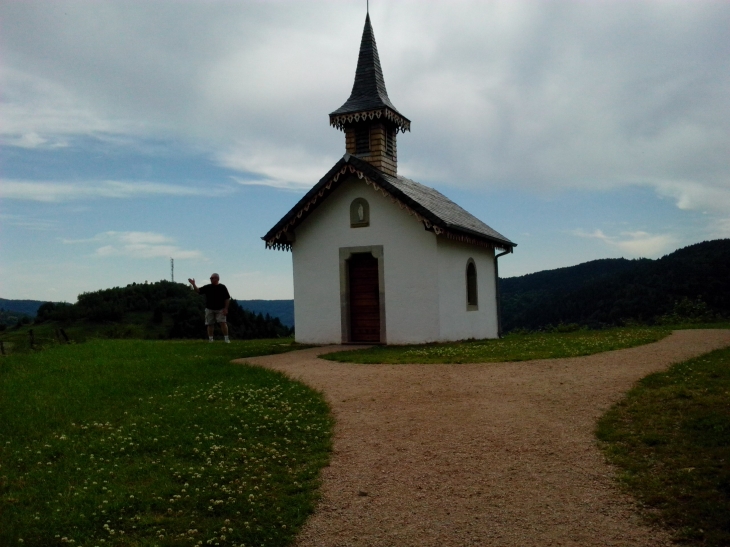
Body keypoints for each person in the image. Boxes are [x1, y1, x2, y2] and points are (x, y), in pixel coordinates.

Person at [188, 273, 231, 343]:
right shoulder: (208, 287)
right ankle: (211, 339)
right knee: (210, 324)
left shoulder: (222, 287)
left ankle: (226, 339)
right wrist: (193, 284)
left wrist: (226, 308)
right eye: (210, 278)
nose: (211, 279)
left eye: (212, 278)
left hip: (220, 309)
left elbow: (227, 298)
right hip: (209, 308)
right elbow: (198, 291)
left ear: (217, 279)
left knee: (223, 322)